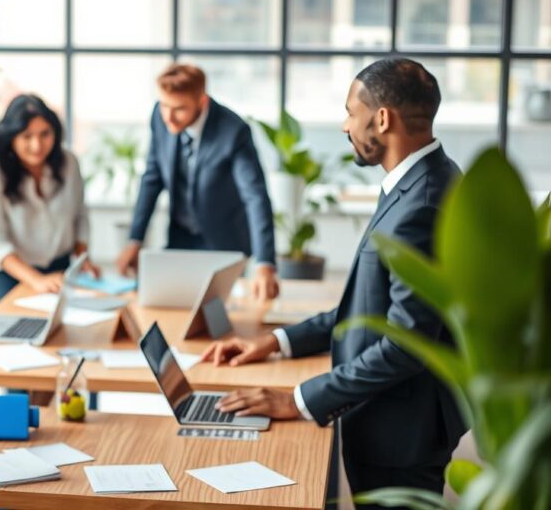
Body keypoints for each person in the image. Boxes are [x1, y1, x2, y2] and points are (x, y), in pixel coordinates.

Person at [199, 59, 466, 506]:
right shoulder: (424, 179)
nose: (345, 125)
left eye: (350, 111)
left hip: (401, 428)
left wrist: (299, 400)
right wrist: (275, 341)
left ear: (381, 118)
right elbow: (369, 307)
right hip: (393, 416)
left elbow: (405, 342)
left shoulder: (422, 201)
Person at [115, 63, 279, 301]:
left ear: (202, 102)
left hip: (223, 242)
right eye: (164, 106)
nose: (169, 117)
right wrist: (135, 239)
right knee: (165, 302)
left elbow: (255, 196)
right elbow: (152, 177)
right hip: (180, 237)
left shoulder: (234, 131)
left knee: (217, 313)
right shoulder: (159, 117)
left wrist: (265, 264)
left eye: (179, 108)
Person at [0, 94, 97, 305]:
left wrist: (83, 260)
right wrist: (36, 280)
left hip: (59, 265)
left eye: (45, 134)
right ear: (11, 138)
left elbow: (80, 214)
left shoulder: (68, 162)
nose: (37, 145)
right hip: (12, 271)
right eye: (26, 136)